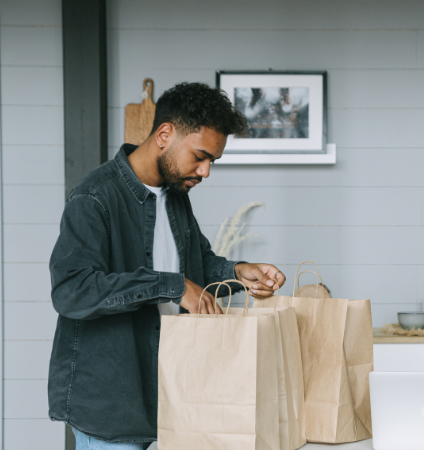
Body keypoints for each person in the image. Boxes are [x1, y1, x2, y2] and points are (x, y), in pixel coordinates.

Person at [47, 82, 286, 449]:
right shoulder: (93, 197)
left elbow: (197, 264)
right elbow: (72, 291)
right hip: (113, 405)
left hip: (173, 393)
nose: (205, 171)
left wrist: (238, 272)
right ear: (164, 134)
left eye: (213, 161)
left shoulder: (175, 197)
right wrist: (170, 285)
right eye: (200, 156)